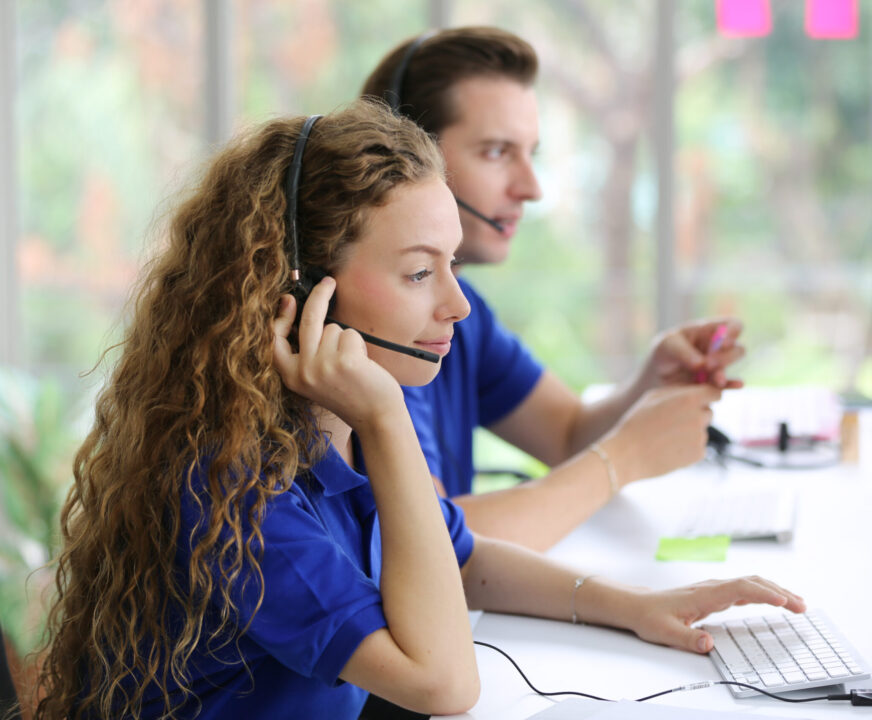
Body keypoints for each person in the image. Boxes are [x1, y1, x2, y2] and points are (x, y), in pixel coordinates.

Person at [34, 99, 803, 720]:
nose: (457, 304)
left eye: (452, 264)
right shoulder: (235, 492)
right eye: (416, 274)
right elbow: (443, 686)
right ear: (302, 297)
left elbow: (462, 559)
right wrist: (388, 421)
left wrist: (630, 607)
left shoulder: (337, 427)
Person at [362, 27, 746, 551]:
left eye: (530, 154)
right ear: (405, 155)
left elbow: (565, 434)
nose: (531, 188)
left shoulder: (461, 314)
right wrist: (623, 459)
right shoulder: (374, 331)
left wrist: (649, 383)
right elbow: (430, 545)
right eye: (497, 152)